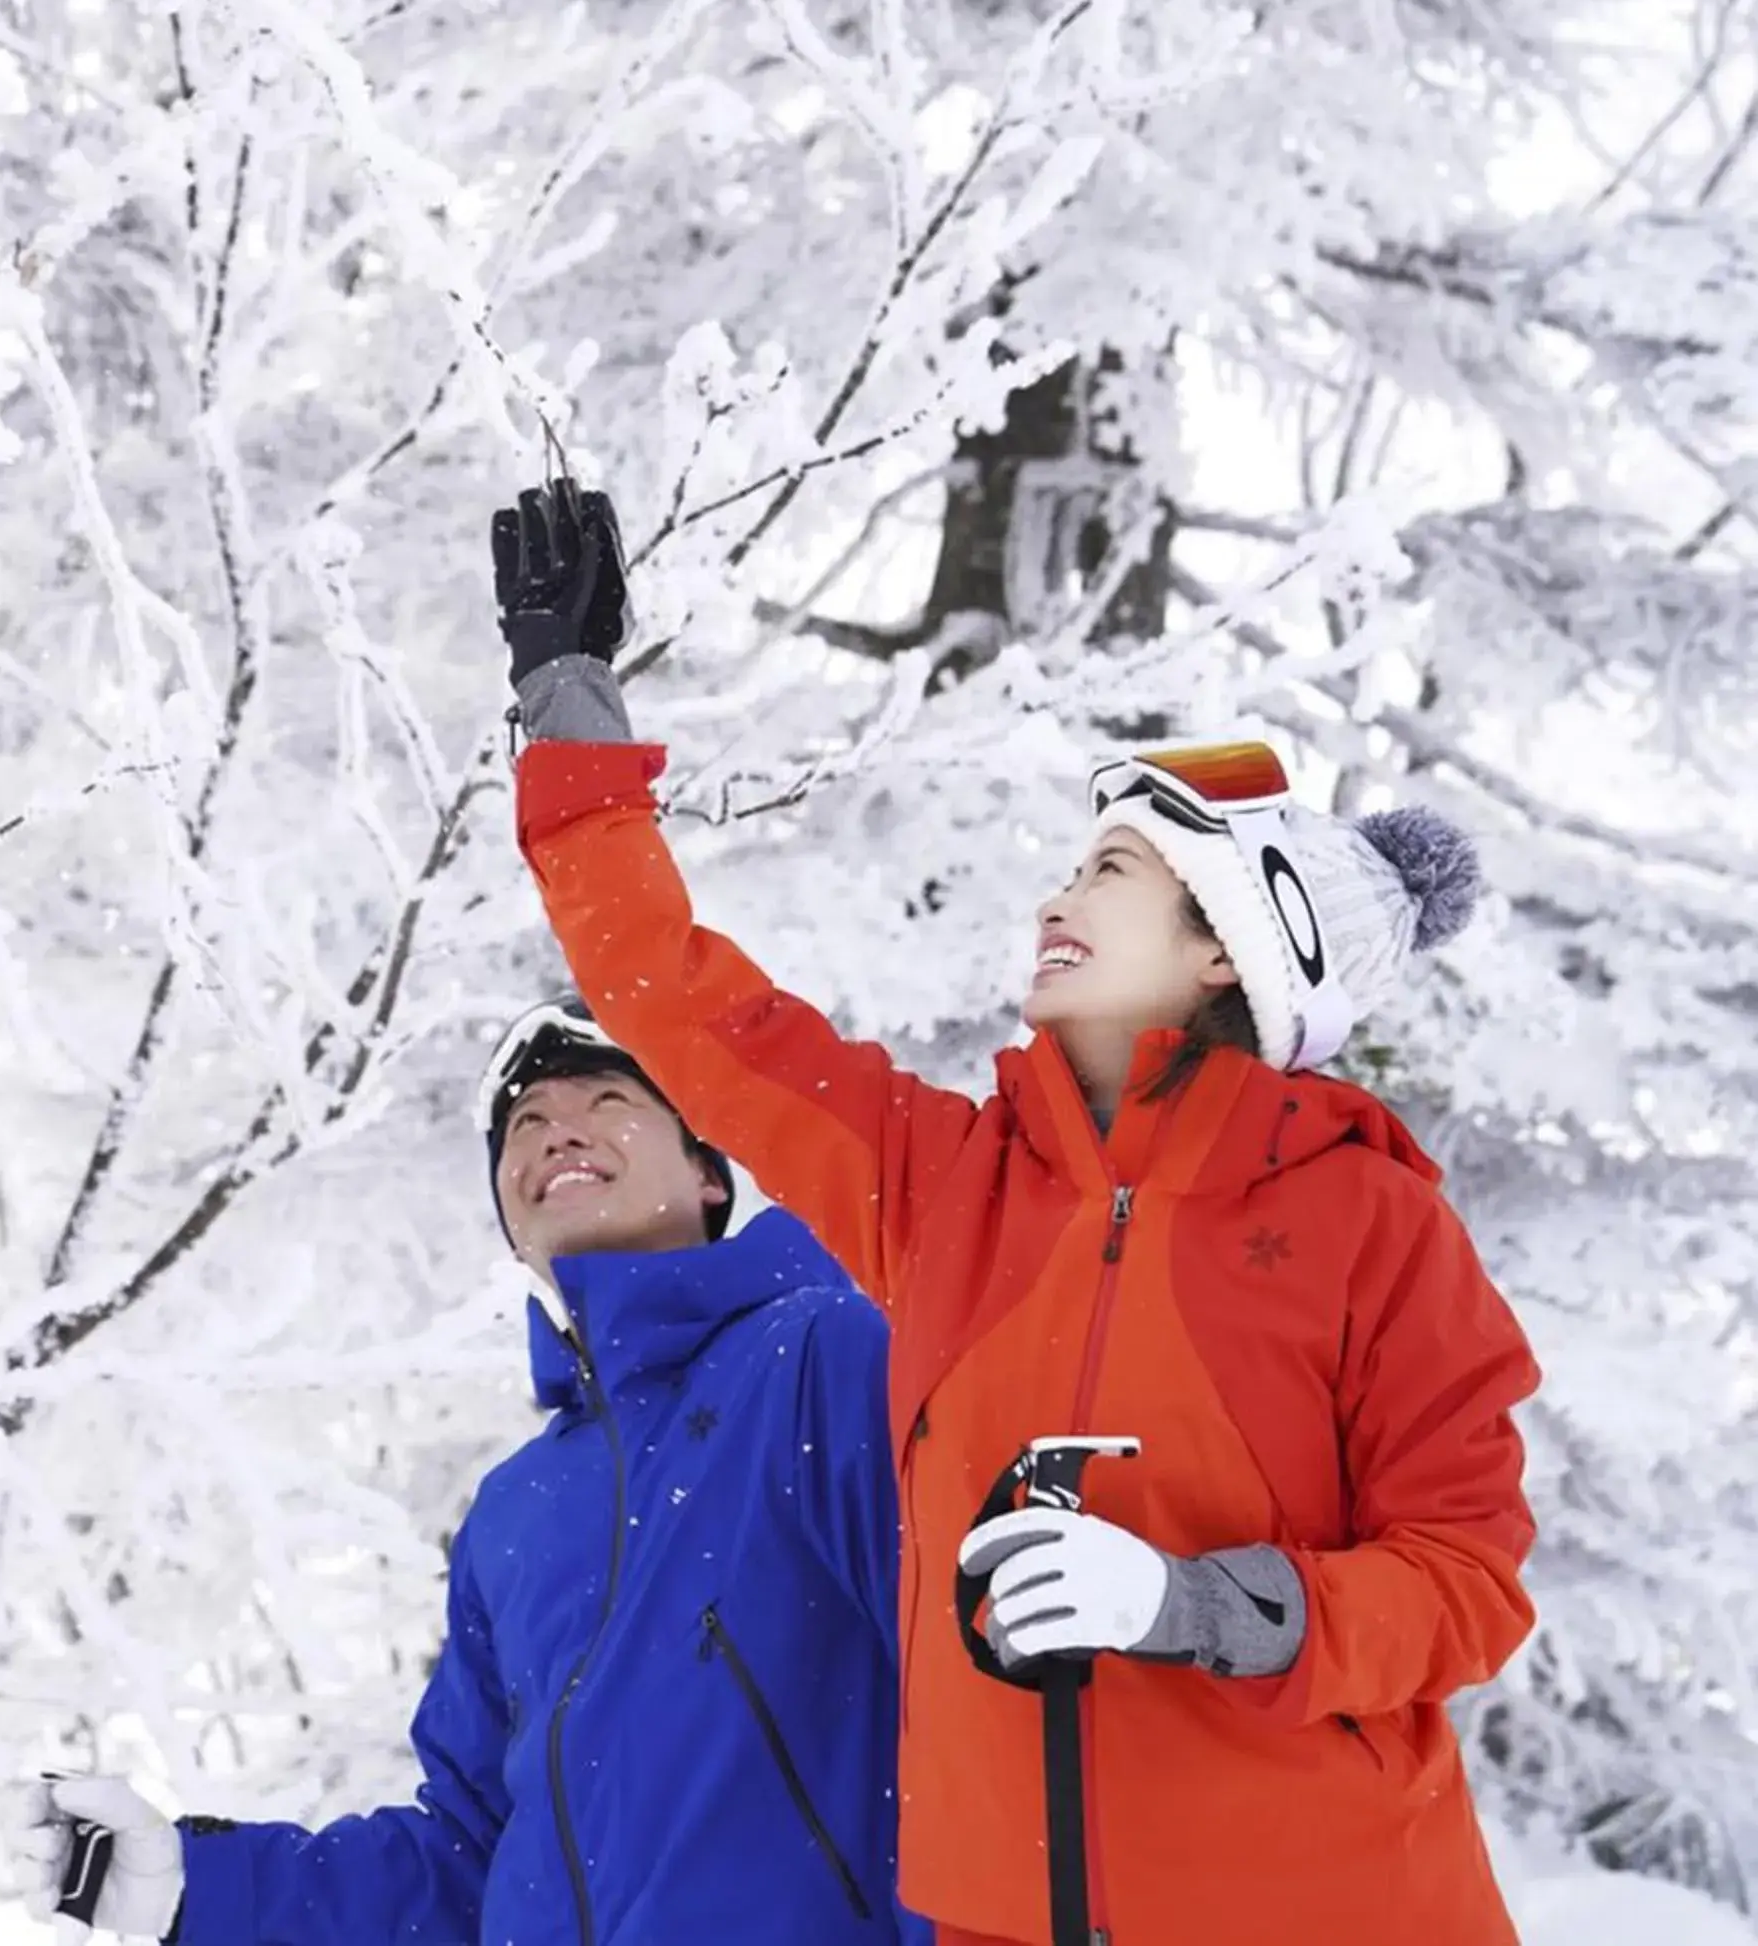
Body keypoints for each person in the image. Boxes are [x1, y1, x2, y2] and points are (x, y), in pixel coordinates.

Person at [488, 480, 1541, 1946]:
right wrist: (569, 707)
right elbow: (683, 1005)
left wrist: (1190, 1602)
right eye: (1071, 862)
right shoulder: (946, 1189)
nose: (1059, 894)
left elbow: (1465, 1584)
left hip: (1327, 1906)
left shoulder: (1371, 1220)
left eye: (1111, 871)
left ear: (1230, 949)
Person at [10, 998, 928, 1944]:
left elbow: (970, 1695)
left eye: (608, 1098)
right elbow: (468, 1859)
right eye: (523, 1124)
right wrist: (195, 1892)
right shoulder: (514, 1516)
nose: (556, 1129)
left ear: (707, 1173)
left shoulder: (823, 1359)